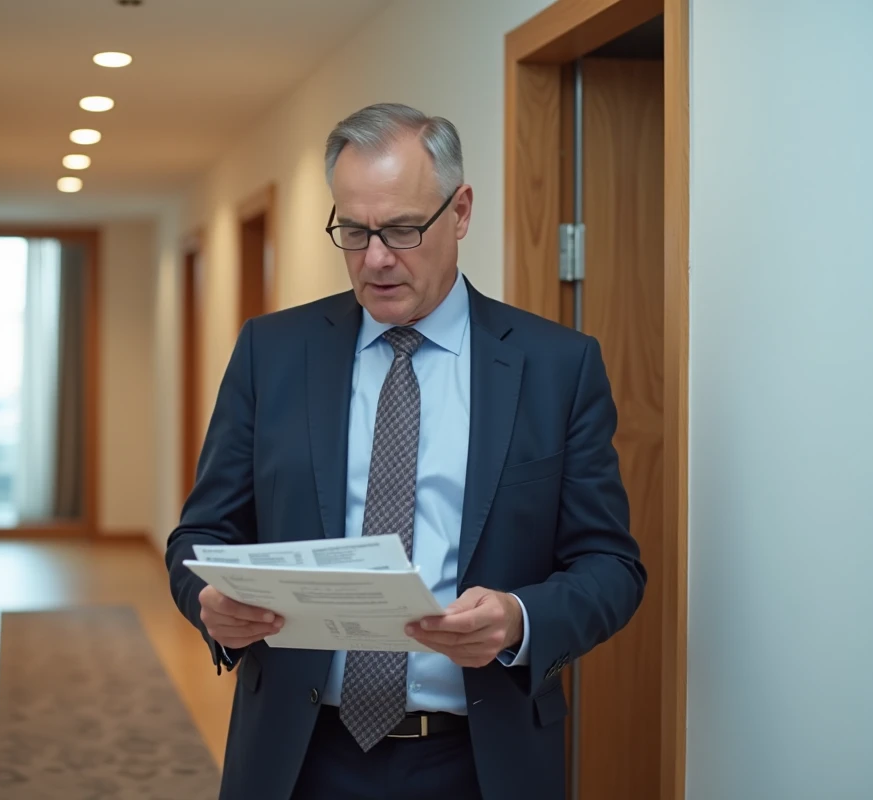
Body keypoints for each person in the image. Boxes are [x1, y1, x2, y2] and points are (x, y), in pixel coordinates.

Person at [165, 102, 646, 800]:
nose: (377, 258)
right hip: (298, 757)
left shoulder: (556, 367)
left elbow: (612, 567)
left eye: (402, 229)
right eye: (353, 231)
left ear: (461, 212)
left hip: (481, 760)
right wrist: (207, 599)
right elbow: (200, 533)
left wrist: (518, 617)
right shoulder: (272, 354)